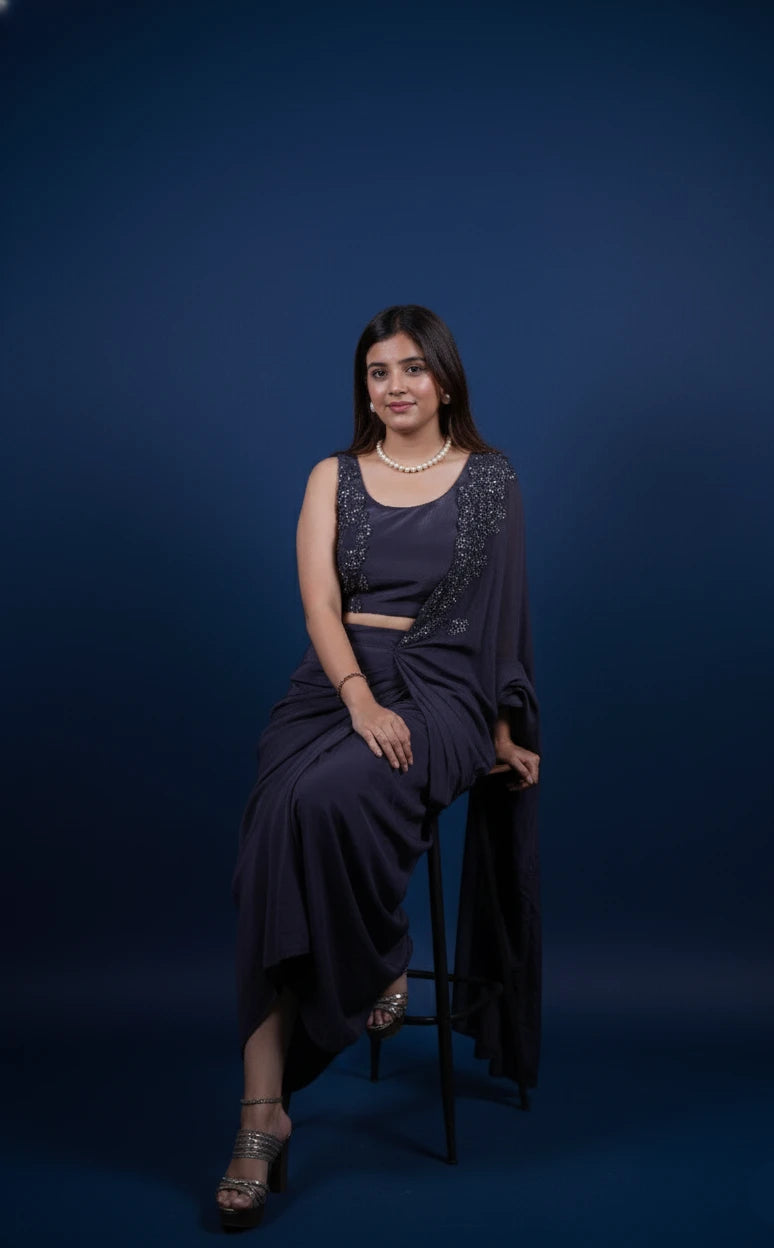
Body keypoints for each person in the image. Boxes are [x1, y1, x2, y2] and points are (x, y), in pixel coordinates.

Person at [215, 305, 541, 1231]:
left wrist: (503, 727)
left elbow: (504, 616)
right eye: (376, 373)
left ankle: (377, 954)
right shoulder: (333, 476)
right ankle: (261, 1110)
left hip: (442, 693)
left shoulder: (489, 480)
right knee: (275, 824)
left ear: (445, 378)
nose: (393, 387)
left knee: (324, 802)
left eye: (410, 369)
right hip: (335, 684)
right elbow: (320, 601)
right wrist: (359, 698)